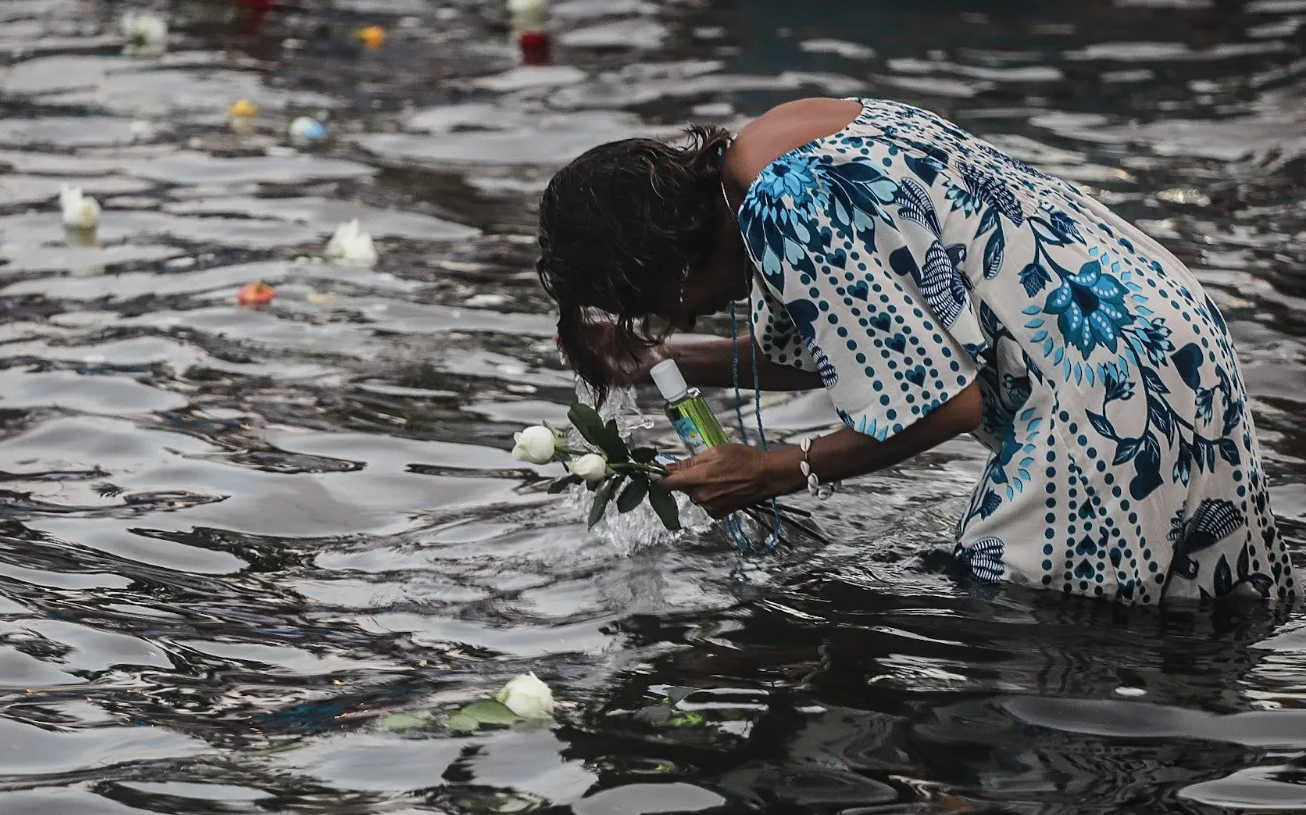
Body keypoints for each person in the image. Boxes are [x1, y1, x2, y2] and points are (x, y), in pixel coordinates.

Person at [536, 97, 1295, 604]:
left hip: (1097, 391)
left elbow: (948, 400)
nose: (675, 318)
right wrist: (673, 364)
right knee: (1198, 618)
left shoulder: (781, 204)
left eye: (657, 309)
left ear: (667, 263)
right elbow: (882, 348)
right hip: (1162, 331)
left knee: (1023, 637)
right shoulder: (775, 143)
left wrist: (775, 470)